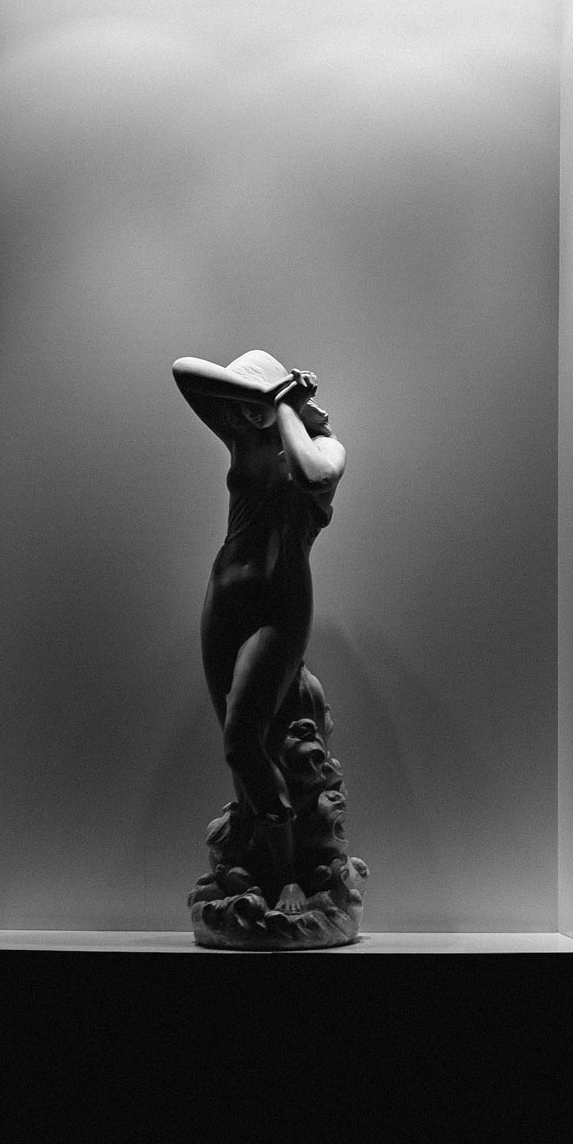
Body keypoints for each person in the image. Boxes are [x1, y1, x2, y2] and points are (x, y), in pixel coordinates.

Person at [170, 349, 347, 887]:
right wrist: (268, 396)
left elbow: (314, 477)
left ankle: (286, 875)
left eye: (258, 392)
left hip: (280, 607)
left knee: (241, 740)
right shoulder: (241, 435)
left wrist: (287, 407)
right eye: (242, 395)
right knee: (242, 750)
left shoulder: (326, 447)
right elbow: (184, 372)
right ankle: (254, 855)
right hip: (223, 597)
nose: (244, 408)